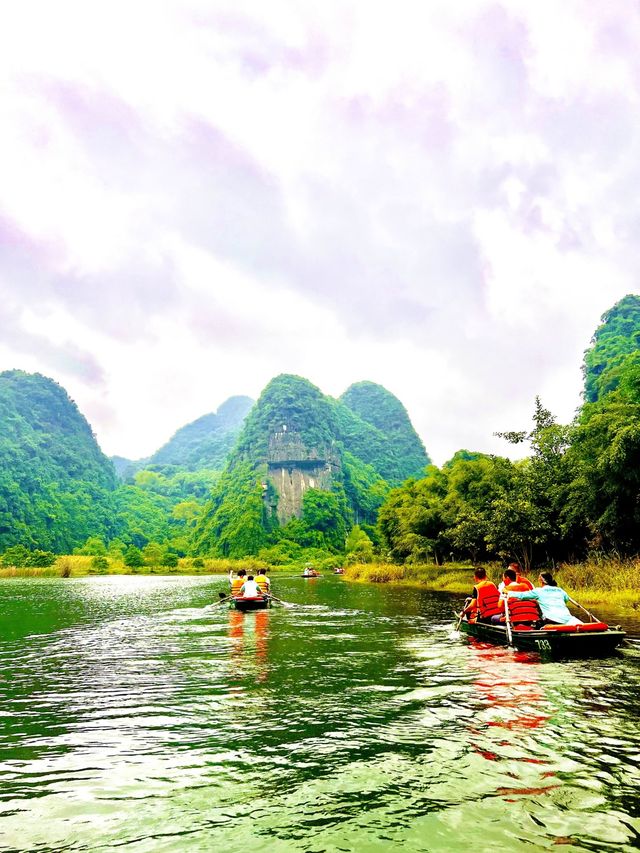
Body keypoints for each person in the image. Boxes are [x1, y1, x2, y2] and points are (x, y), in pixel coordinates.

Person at [505, 572, 582, 625]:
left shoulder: (538, 591)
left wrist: (508, 592)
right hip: (567, 618)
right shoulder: (561, 590)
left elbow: (522, 595)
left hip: (551, 619)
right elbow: (565, 600)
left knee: (539, 622)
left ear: (541, 580)